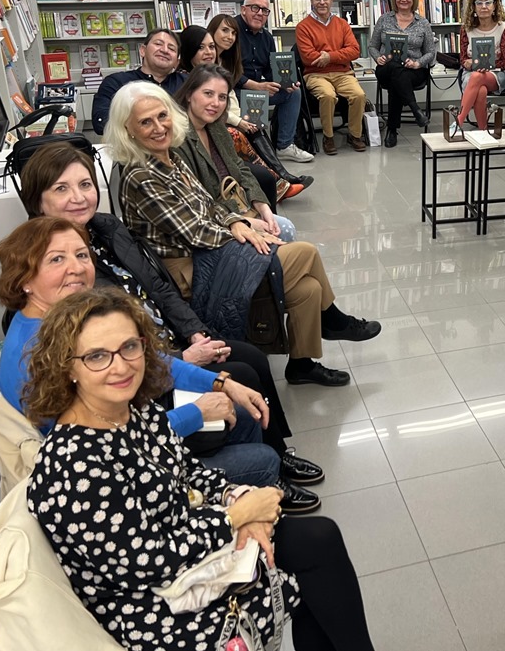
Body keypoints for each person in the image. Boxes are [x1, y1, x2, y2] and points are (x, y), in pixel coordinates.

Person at [25, 288, 376, 651]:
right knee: (312, 575)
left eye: (130, 347)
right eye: (97, 356)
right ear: (67, 366)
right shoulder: (74, 465)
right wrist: (235, 518)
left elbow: (189, 471)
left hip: (186, 549)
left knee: (319, 542)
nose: (121, 365)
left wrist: (239, 498)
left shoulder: (130, 410)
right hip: (156, 609)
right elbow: (148, 562)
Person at [16, 142, 322, 492]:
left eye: (85, 185)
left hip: (159, 345)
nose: (79, 197)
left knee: (250, 357)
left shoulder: (104, 228)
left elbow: (158, 287)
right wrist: (182, 358)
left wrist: (194, 332)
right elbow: (105, 370)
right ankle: (258, 471)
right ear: (37, 201)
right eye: (61, 189)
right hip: (139, 375)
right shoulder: (55, 277)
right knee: (240, 372)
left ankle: (277, 453)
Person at [0, 219, 317, 512]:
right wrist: (198, 413)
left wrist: (221, 383)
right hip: (122, 473)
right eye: (56, 259)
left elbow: (151, 362)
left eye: (81, 255)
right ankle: (257, 496)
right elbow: (113, 446)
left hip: (134, 433)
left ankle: (255, 497)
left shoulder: (63, 321)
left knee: (243, 410)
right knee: (262, 459)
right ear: (24, 279)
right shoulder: (42, 354)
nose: (76, 268)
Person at [108, 81, 382, 385]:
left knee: (308, 291)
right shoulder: (141, 175)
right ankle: (331, 320)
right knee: (306, 252)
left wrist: (238, 221)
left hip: (208, 251)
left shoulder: (168, 158)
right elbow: (195, 231)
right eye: (146, 122)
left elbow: (210, 205)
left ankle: (302, 365)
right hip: (189, 270)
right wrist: (242, 233)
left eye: (162, 116)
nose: (159, 127)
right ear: (128, 129)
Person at [177, 27, 310, 201]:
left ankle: (281, 177)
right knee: (238, 133)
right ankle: (279, 180)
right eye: (201, 48)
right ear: (189, 50)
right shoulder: (185, 78)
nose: (208, 52)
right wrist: (238, 121)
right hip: (209, 126)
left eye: (211, 47)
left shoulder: (213, 70)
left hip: (224, 117)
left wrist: (242, 119)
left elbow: (229, 98)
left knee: (255, 126)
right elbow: (215, 108)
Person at [172, 64, 298, 243]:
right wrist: (245, 221)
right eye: (208, 94)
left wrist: (262, 206)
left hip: (238, 205)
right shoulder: (178, 138)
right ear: (189, 95)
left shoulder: (216, 126)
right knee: (285, 232)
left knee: (282, 229)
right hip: (212, 222)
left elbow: (239, 166)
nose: (216, 103)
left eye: (222, 97)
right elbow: (197, 200)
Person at [236, 0, 314, 165]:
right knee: (253, 98)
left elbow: (270, 70)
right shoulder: (231, 31)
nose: (260, 14)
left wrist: (285, 82)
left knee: (293, 93)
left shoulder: (267, 37)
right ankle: (255, 150)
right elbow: (226, 71)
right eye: (255, 8)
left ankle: (285, 146)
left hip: (258, 88)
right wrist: (256, 86)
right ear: (243, 9)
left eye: (265, 11)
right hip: (234, 90)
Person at [296, 0, 368, 155]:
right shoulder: (303, 27)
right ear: (311, 1)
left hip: (343, 73)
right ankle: (328, 137)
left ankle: (355, 135)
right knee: (328, 95)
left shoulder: (342, 24)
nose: (322, 2)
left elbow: (355, 51)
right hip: (316, 75)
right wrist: (338, 55)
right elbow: (308, 58)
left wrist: (329, 56)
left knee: (359, 95)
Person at [367, 0, 437, 148]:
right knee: (394, 67)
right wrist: (378, 58)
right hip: (386, 67)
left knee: (397, 78)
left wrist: (417, 63)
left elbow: (431, 52)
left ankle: (392, 129)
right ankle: (415, 110)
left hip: (413, 71)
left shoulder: (423, 23)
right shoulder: (384, 19)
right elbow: (372, 46)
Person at [91, 29, 187, 135]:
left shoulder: (187, 83)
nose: (164, 50)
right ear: (142, 50)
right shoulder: (116, 82)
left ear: (177, 62)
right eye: (158, 44)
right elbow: (101, 122)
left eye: (171, 48)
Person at [451, 0, 505, 138]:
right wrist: (468, 63)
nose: (484, 7)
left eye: (488, 2)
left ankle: (459, 120)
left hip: (496, 74)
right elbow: (463, 58)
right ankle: (483, 131)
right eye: (479, 3)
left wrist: (486, 65)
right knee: (480, 89)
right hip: (471, 73)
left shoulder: (503, 28)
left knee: (478, 77)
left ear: (495, 5)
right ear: (473, 7)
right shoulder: (466, 29)